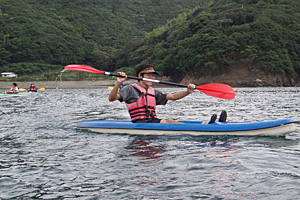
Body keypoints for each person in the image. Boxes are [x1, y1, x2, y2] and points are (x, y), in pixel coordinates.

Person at [108, 64, 227, 123]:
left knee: (179, 120)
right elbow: (112, 98)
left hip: (152, 121)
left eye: (153, 75)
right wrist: (118, 83)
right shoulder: (130, 89)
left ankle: (206, 123)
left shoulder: (153, 92)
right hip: (141, 123)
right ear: (140, 76)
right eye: (149, 75)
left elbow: (173, 97)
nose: (152, 77)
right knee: (169, 121)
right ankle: (205, 128)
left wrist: (187, 92)